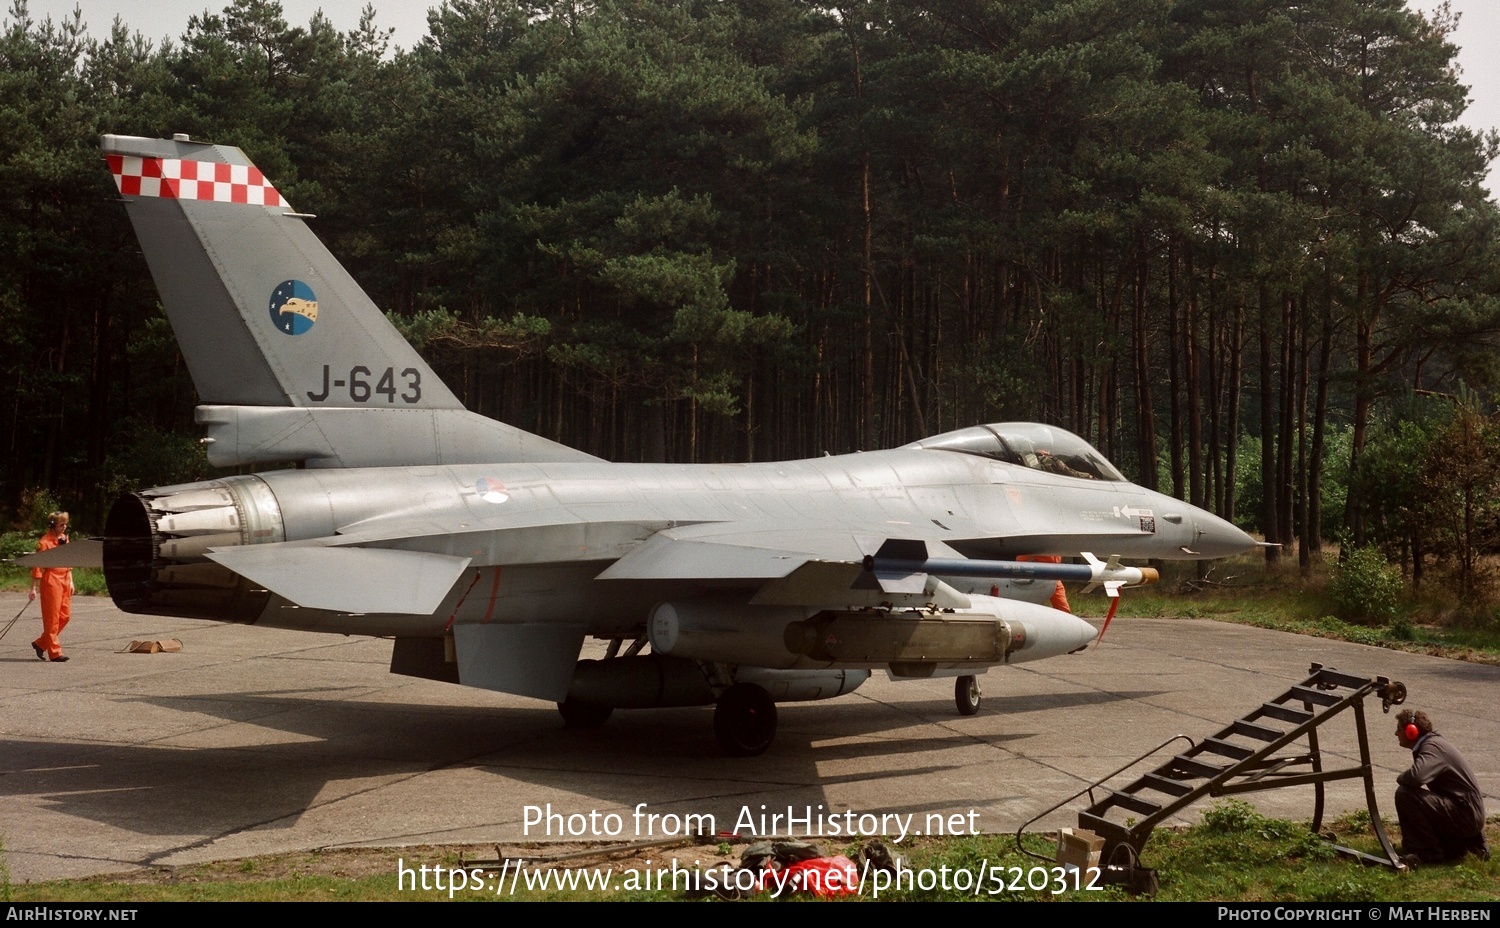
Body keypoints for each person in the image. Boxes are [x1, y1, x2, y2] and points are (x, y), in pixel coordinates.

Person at [1393, 708, 1488, 866]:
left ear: (1412, 731)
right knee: (1415, 796)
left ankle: (1427, 853)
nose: (1396, 734)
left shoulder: (1432, 748)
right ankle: (1469, 845)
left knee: (1405, 794)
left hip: (1466, 814)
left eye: (1399, 729)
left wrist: (1400, 777)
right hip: (1467, 812)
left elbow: (1416, 777)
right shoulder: (1433, 744)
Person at [29, 510, 73, 663]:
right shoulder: (44, 542)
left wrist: (71, 580)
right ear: (53, 525)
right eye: (61, 524)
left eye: (65, 524)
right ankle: (55, 652)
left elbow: (69, 559)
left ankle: (41, 644)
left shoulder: (64, 539)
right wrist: (33, 588)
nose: (64, 527)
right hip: (52, 579)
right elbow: (37, 566)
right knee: (52, 619)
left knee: (65, 616)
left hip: (65, 578)